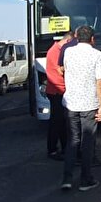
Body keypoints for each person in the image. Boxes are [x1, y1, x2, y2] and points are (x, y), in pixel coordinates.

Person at [58, 26, 101, 191]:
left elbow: (63, 70)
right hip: (89, 105)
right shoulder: (97, 55)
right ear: (92, 39)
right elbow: (100, 82)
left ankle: (67, 179)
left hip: (70, 103)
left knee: (73, 140)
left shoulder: (68, 52)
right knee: (87, 142)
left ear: (77, 37)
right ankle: (86, 180)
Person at [45, 30, 74, 160]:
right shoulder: (56, 52)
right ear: (68, 41)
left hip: (57, 90)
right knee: (57, 122)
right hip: (57, 91)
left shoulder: (55, 49)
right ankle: (52, 150)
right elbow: (62, 71)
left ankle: (64, 148)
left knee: (61, 122)